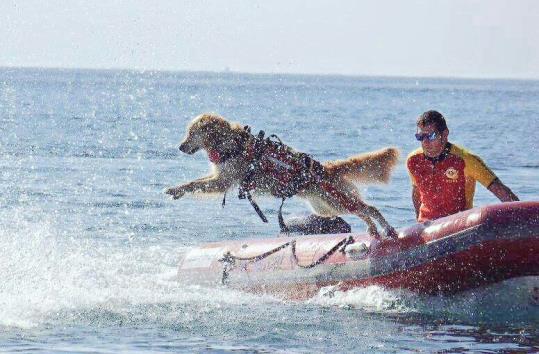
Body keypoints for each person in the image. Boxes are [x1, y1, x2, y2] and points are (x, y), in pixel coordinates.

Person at [407, 110, 519, 223]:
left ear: (445, 134)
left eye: (431, 136)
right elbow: (416, 192)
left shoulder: (467, 160)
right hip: (427, 227)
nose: (425, 142)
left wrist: (522, 218)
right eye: (421, 136)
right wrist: (418, 223)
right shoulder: (413, 160)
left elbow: (499, 190)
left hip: (458, 226)